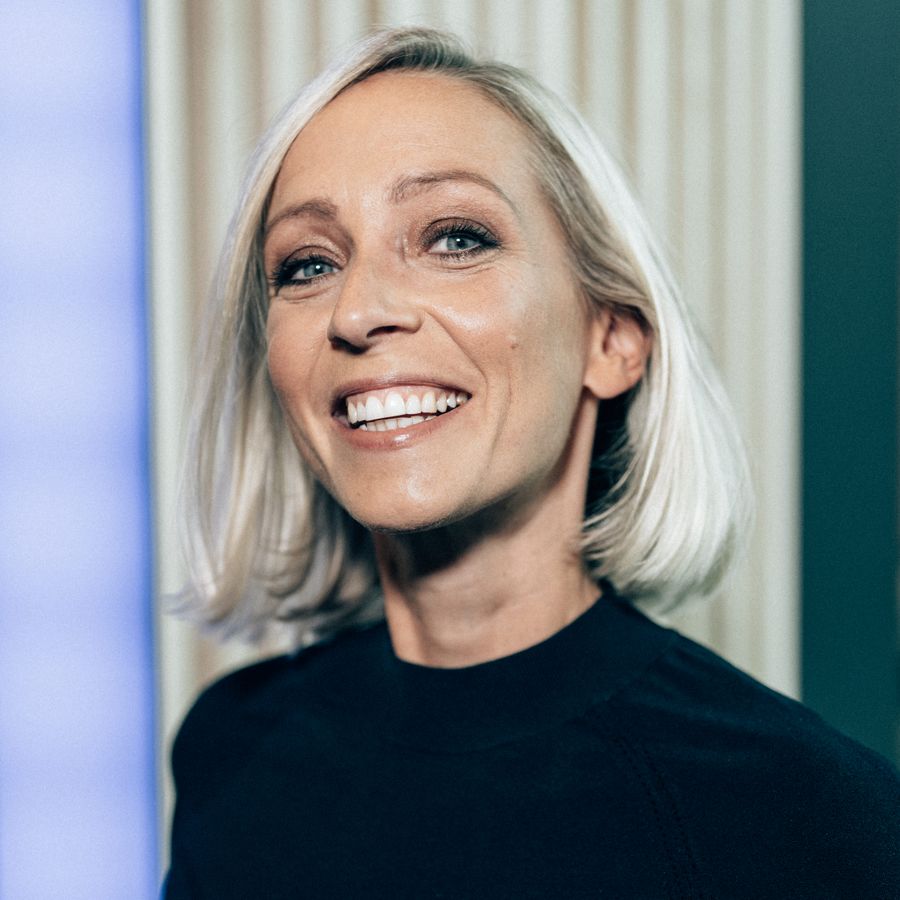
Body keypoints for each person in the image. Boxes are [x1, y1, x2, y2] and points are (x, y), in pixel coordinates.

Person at [164, 26, 899, 899]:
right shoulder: (231, 749)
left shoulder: (803, 814)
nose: (356, 312)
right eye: (308, 263)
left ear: (611, 338)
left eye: (455, 238)